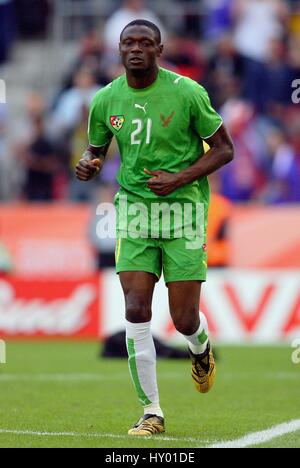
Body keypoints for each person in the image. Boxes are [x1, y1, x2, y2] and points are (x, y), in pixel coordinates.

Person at [76, 20, 234, 436]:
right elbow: (95, 151)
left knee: (183, 320)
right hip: (133, 213)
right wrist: (88, 165)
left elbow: (225, 149)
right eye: (129, 42)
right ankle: (152, 413)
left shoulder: (187, 93)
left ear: (159, 50)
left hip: (183, 213)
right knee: (135, 309)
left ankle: (200, 349)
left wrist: (179, 178)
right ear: (119, 48)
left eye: (146, 43)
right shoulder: (106, 99)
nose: (136, 49)